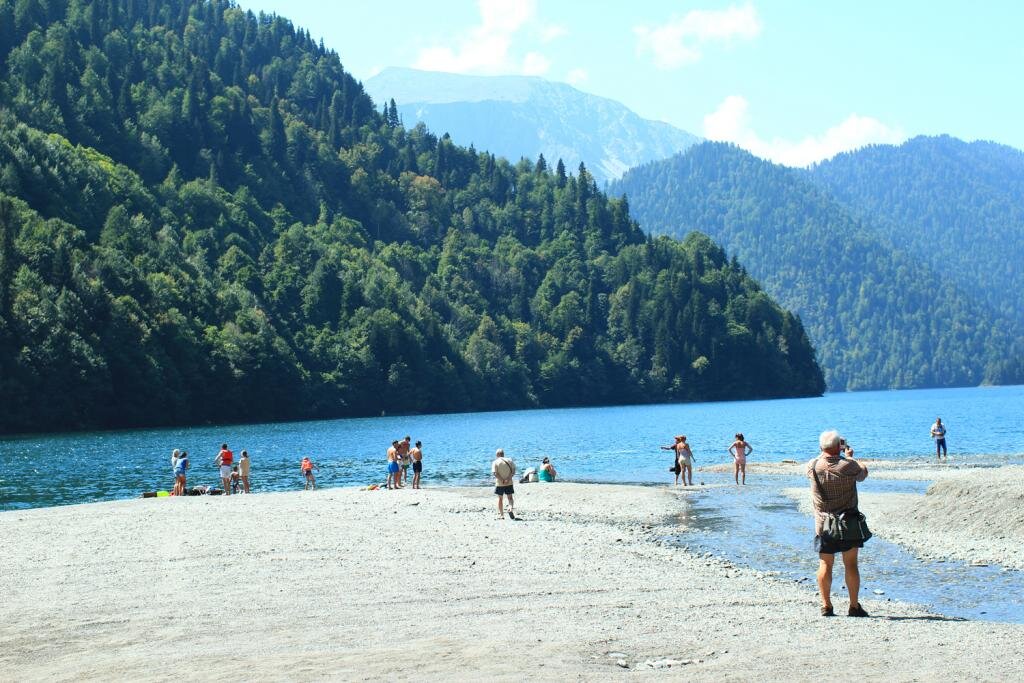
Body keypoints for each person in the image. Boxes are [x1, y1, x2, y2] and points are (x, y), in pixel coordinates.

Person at [807, 430, 870, 618]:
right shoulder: (847, 466)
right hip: (848, 524)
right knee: (850, 564)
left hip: (824, 524)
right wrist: (851, 457)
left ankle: (826, 605)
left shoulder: (813, 466)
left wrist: (826, 450)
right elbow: (863, 474)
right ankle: (853, 606)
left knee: (825, 563)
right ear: (838, 447)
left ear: (821, 447)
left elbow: (821, 459)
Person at [492, 449, 517, 519]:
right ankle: (510, 508)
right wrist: (508, 479)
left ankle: (502, 515)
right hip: (509, 482)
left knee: (500, 499)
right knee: (510, 498)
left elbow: (495, 473)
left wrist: (502, 480)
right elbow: (513, 471)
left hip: (500, 483)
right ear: (503, 454)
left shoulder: (495, 462)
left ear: (497, 455)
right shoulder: (509, 460)